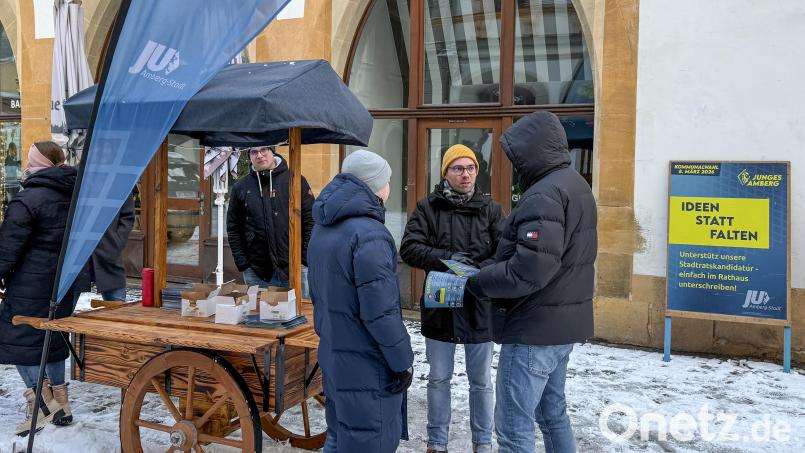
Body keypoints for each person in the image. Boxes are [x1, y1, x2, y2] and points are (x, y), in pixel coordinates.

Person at [467, 112, 597, 453]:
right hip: (561, 326)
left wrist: (480, 280)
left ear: (531, 151)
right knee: (553, 414)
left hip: (533, 329)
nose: (513, 163)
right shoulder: (575, 184)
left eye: (515, 155)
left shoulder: (545, 194)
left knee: (513, 427)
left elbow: (529, 271)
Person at [307, 150, 414, 453]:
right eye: (387, 179)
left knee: (339, 437)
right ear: (374, 185)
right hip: (368, 365)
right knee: (368, 440)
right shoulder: (370, 235)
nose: (390, 185)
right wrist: (403, 362)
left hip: (335, 355)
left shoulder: (323, 227)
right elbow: (380, 313)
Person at [400, 144, 504, 453]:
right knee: (438, 379)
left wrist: (477, 271)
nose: (466, 174)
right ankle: (437, 441)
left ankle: (483, 443)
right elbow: (409, 248)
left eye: (470, 168)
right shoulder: (428, 207)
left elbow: (504, 252)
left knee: (482, 382)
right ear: (446, 172)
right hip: (440, 307)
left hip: (478, 307)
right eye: (458, 168)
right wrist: (449, 259)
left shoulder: (492, 210)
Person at [0, 141, 85, 435]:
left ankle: (44, 404)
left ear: (38, 163)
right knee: (54, 335)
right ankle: (62, 403)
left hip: (30, 284)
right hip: (65, 282)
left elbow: (8, 250)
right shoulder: (76, 194)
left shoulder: (28, 200)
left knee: (17, 340)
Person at [226, 145, 314, 294]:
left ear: (272, 152)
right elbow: (233, 227)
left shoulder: (295, 181)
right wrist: (243, 264)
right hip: (257, 272)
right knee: (260, 315)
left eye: (264, 150)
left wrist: (304, 259)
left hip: (296, 268)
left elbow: (311, 221)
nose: (259, 155)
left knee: (301, 314)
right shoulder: (241, 187)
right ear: (249, 157)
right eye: (254, 152)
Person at [89, 194, 135, 301]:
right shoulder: (78, 179)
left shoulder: (119, 181)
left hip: (109, 252)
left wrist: (117, 242)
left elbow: (128, 216)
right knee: (62, 314)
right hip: (77, 256)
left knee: (117, 308)